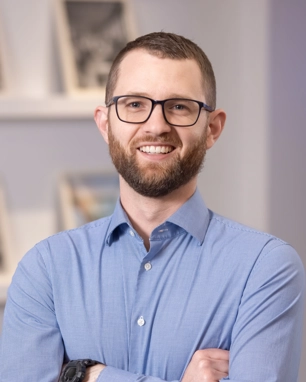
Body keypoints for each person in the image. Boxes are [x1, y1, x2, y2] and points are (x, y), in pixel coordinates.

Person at [0, 32, 305, 382]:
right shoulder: (45, 270)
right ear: (104, 123)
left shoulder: (265, 269)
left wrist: (88, 377)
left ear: (213, 128)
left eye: (179, 107)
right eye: (134, 105)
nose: (156, 126)